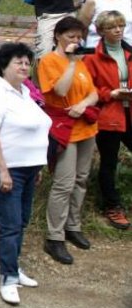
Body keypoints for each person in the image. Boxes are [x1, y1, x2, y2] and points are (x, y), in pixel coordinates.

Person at [0, 43, 52, 306]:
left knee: (21, 221)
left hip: (28, 168)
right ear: (4, 66)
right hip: (7, 168)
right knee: (10, 224)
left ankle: (11, 266)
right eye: (18, 62)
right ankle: (8, 277)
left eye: (27, 62)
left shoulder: (24, 92)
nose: (24, 66)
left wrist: (37, 166)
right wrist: (3, 170)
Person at [37, 16, 99, 265]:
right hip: (63, 127)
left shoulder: (82, 62)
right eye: (71, 36)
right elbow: (60, 90)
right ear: (58, 36)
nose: (76, 40)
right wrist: (72, 63)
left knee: (81, 179)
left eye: (79, 37)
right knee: (64, 182)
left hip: (85, 126)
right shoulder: (49, 61)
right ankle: (55, 236)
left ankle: (73, 225)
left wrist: (83, 104)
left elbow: (93, 93)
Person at [83, 10, 132, 230]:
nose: (118, 30)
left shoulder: (129, 51)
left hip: (129, 111)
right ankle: (112, 206)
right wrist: (109, 93)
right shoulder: (92, 56)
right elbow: (87, 87)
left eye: (121, 26)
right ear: (101, 31)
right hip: (108, 115)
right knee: (109, 162)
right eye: (112, 27)